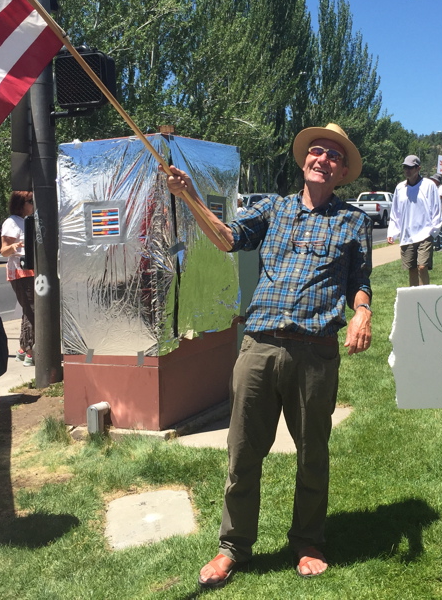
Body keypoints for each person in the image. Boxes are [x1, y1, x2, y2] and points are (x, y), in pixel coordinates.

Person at [165, 123, 372, 588]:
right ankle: (232, 547)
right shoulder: (273, 209)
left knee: (312, 453)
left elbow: (360, 282)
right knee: (242, 451)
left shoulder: (353, 221)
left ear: (342, 173)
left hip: (315, 353)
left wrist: (362, 312)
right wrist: (189, 195)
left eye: (334, 156)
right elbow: (225, 237)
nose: (323, 159)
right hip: (259, 345)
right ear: (304, 162)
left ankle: (307, 540)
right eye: (317, 151)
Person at [388, 155, 442, 286]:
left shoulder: (429, 185)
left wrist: (433, 230)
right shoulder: (400, 188)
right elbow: (395, 212)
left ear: (418, 168)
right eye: (405, 167)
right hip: (407, 235)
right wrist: (392, 232)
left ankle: (425, 295)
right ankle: (414, 299)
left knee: (422, 267)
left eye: (410, 168)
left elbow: (436, 208)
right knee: (411, 269)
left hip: (425, 233)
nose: (407, 170)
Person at [0, 191, 35, 366]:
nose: (33, 204)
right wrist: (15, 246)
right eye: (30, 201)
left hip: (31, 270)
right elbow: (3, 250)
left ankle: (24, 348)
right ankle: (30, 351)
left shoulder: (27, 221)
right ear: (21, 203)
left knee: (30, 309)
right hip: (20, 271)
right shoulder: (11, 222)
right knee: (32, 310)